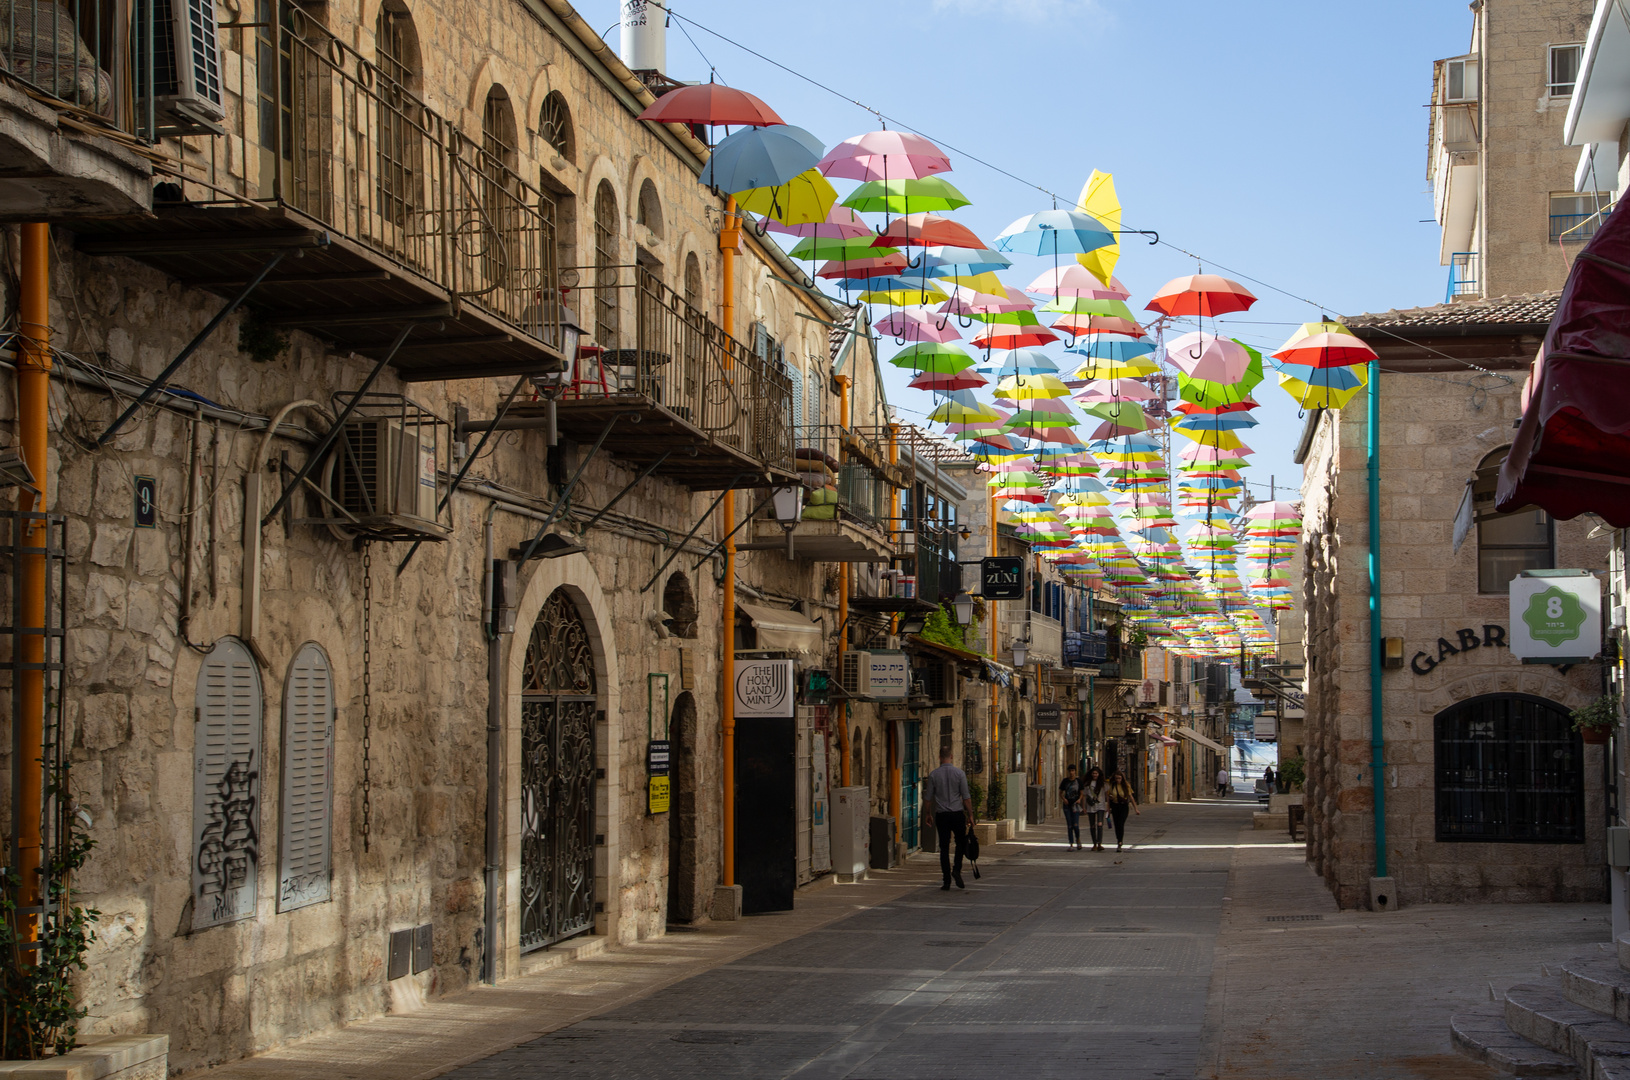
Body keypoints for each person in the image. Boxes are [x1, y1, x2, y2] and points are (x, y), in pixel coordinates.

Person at [925, 747, 974, 890]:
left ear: (940, 757)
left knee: (944, 847)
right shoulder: (960, 774)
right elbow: (966, 797)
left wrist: (928, 813)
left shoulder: (934, 775)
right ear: (951, 756)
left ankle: (946, 880)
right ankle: (956, 869)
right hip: (957, 814)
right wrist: (970, 814)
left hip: (942, 815)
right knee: (960, 843)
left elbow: (928, 798)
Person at [1105, 770, 1139, 852]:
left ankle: (1120, 842)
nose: (1118, 780)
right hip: (1115, 806)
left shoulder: (1126, 786)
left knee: (1121, 823)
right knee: (1116, 825)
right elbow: (1108, 799)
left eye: (1119, 778)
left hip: (1123, 807)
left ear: (1122, 778)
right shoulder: (1111, 786)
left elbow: (1131, 797)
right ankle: (1119, 840)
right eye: (1116, 778)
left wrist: (1136, 809)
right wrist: (1108, 809)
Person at [1081, 766, 1108, 851]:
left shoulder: (1103, 784)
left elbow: (1107, 795)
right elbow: (1084, 796)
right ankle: (1094, 844)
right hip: (1091, 806)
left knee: (1100, 824)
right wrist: (1083, 807)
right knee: (1092, 825)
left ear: (1099, 774)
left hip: (1101, 806)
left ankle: (1099, 843)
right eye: (1093, 773)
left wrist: (1108, 806)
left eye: (1096, 773)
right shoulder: (1087, 784)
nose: (1095, 775)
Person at [1059, 765, 1084, 850]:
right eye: (1070, 771)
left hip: (1075, 805)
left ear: (1075, 771)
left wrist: (1079, 800)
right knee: (1069, 825)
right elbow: (1060, 792)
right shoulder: (1065, 781)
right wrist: (1064, 799)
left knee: (1075, 825)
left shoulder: (1078, 781)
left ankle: (1078, 839)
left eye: (1073, 770)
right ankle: (1071, 844)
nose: (1071, 772)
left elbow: (1081, 793)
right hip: (1067, 805)